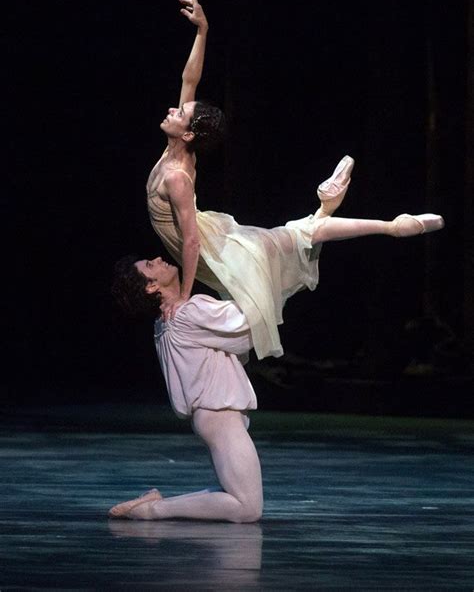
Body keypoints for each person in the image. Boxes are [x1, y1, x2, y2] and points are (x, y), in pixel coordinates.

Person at [146, 0, 444, 362]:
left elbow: (190, 242)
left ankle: (390, 224)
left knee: (297, 236)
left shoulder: (177, 175)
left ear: (188, 134)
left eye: (180, 115)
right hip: (215, 237)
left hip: (216, 250)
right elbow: (189, 80)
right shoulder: (178, 150)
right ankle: (345, 212)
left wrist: (187, 296)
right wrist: (202, 31)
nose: (173, 109)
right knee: (299, 234)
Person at [109, 196, 444, 522]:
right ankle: (152, 511)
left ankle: (154, 505)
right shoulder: (187, 311)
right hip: (219, 416)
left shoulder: (170, 319)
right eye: (151, 265)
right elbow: (246, 323)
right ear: (152, 287)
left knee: (239, 498)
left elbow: (236, 341)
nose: (159, 259)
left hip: (217, 416)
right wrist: (264, 274)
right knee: (246, 508)